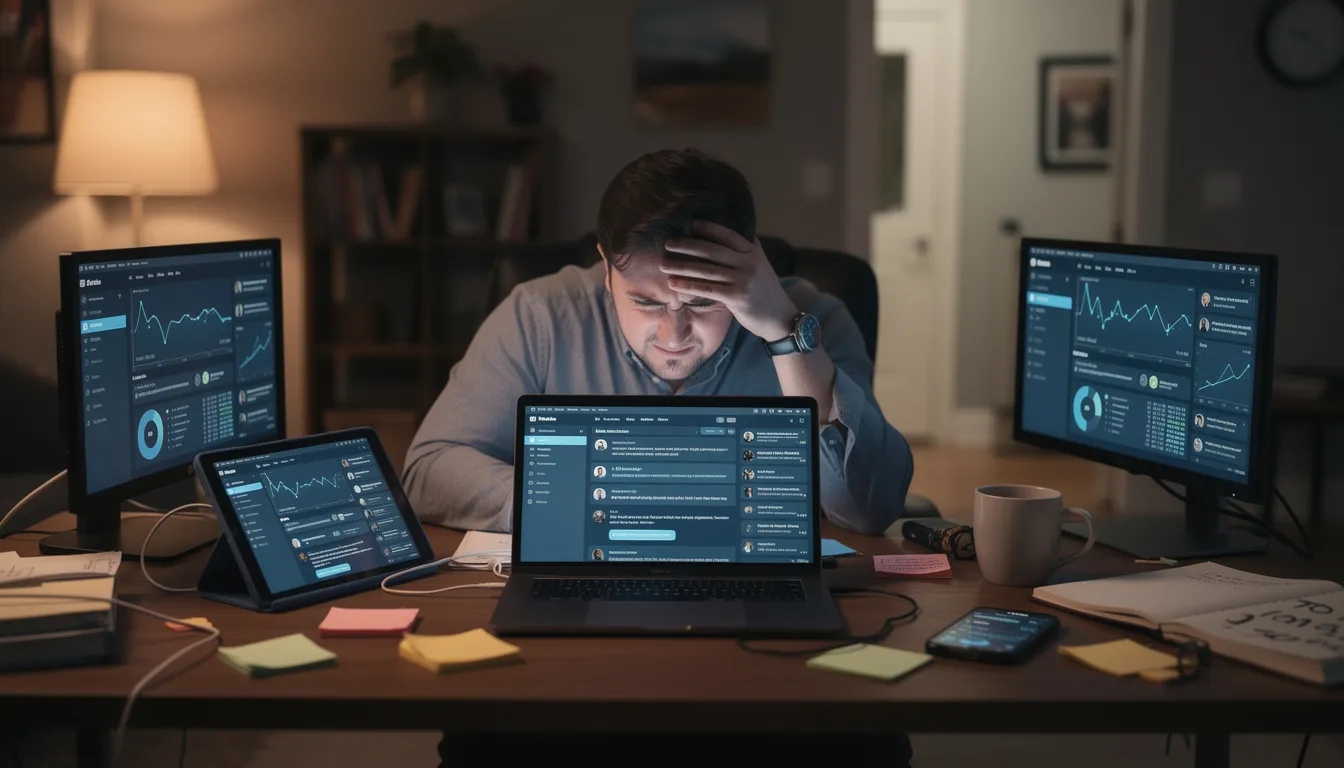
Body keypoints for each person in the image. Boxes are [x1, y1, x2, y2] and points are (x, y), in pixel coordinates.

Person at [403, 148, 916, 767]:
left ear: (750, 267)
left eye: (702, 304)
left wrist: (785, 333)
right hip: (582, 619)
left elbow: (867, 508)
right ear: (606, 266)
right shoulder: (539, 314)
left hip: (758, 617)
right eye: (646, 302)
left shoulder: (815, 320)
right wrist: (582, 502)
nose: (674, 336)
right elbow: (429, 467)